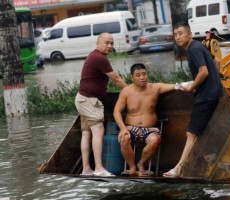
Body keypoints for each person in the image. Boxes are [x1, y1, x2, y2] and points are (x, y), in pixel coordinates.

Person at [163, 22, 224, 178]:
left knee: (191, 133)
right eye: (175, 34)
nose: (178, 37)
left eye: (181, 33)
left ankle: (179, 168)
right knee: (202, 132)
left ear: (189, 34)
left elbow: (203, 72)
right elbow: (216, 62)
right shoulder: (198, 46)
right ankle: (211, 164)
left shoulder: (193, 49)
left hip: (205, 97)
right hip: (213, 94)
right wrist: (215, 84)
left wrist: (192, 87)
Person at [113, 63, 179, 177]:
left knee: (154, 140)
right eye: (138, 75)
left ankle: (141, 164)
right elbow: (116, 111)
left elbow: (176, 86)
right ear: (132, 77)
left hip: (150, 128)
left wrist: (191, 85)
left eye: (144, 74)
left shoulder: (155, 87)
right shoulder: (126, 91)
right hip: (130, 127)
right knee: (124, 138)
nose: (142, 77)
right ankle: (132, 166)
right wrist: (123, 128)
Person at [75, 32, 127, 177]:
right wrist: (130, 91)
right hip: (90, 100)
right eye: (106, 43)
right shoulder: (99, 57)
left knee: (86, 133)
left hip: (82, 99)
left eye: (112, 43)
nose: (109, 46)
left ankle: (86, 169)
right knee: (98, 131)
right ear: (98, 44)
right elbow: (116, 79)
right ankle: (99, 168)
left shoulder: (95, 56)